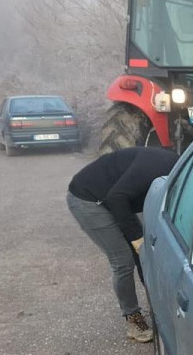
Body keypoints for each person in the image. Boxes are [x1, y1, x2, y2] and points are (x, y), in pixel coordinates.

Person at [66, 146, 179, 342]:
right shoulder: (156, 168)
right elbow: (116, 198)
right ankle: (133, 318)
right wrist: (137, 239)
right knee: (123, 260)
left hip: (115, 196)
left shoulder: (174, 171)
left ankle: (154, 305)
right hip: (88, 199)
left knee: (144, 251)